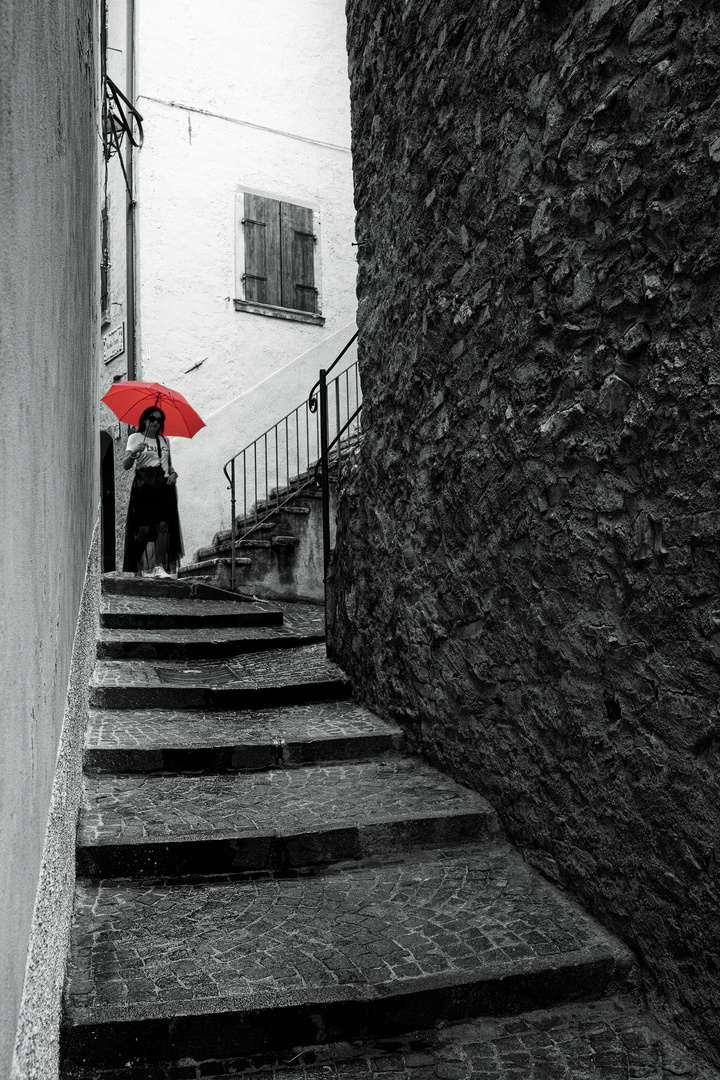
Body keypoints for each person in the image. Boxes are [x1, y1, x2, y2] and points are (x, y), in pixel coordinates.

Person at [122, 406, 184, 576]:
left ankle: (158, 567)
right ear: (144, 420)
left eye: (159, 419)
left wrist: (173, 474)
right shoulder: (135, 438)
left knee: (163, 526)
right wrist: (135, 452)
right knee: (144, 531)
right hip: (144, 489)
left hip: (164, 488)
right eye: (152, 418)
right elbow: (126, 465)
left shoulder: (164, 440)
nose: (156, 422)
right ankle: (133, 563)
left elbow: (169, 465)